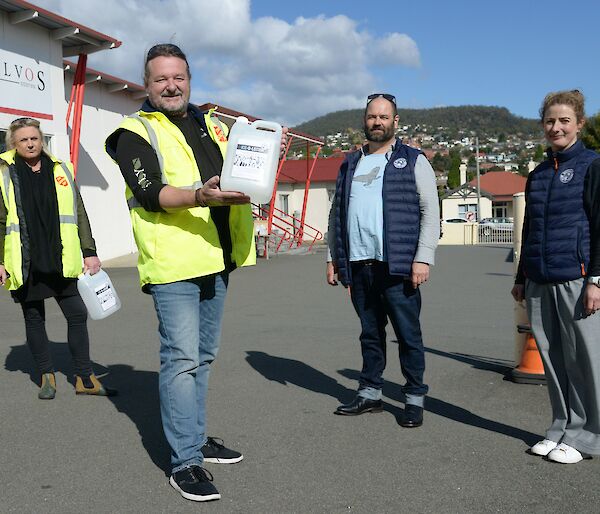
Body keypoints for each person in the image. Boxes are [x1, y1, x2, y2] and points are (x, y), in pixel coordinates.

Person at [106, 44, 287, 502]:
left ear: (189, 79)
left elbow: (243, 170)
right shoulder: (131, 133)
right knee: (181, 360)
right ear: (147, 85)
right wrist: (199, 197)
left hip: (219, 257)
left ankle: (194, 437)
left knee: (203, 357)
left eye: (178, 77)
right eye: (161, 79)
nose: (171, 86)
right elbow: (152, 193)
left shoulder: (213, 125)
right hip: (175, 265)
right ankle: (184, 461)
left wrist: (265, 152)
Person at [326, 93, 439, 427]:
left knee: (408, 335)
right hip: (360, 264)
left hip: (398, 265)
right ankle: (371, 393)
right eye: (372, 116)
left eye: (384, 116)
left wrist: (423, 258)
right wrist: (333, 257)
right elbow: (337, 213)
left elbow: (430, 212)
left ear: (395, 121)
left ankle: (414, 398)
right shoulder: (351, 162)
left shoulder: (413, 160)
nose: (377, 122)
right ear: (365, 120)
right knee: (370, 333)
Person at [512, 89, 600, 464]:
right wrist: (521, 276)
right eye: (550, 121)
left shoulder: (593, 165)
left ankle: (588, 436)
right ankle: (561, 427)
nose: (556, 127)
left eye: (564, 120)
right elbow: (529, 228)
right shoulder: (537, 175)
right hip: (539, 278)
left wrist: (596, 279)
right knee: (552, 359)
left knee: (584, 360)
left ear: (579, 124)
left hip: (577, 278)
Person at [0, 117, 116, 399]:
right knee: (34, 317)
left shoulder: (60, 168)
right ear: (14, 144)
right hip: (27, 259)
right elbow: (0, 220)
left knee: (76, 313)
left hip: (60, 256)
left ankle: (84, 377)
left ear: (42, 140)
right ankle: (46, 375)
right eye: (23, 140)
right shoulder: (4, 172)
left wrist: (89, 251)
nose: (30, 143)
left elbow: (79, 211)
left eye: (34, 138)